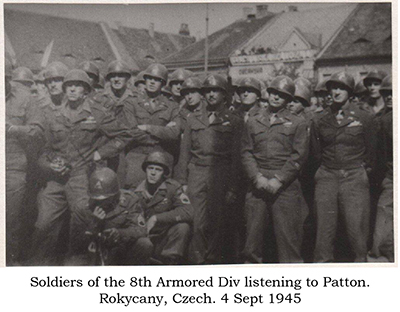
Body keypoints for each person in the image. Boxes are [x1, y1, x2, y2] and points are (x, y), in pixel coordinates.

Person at [30, 69, 137, 265]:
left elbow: (125, 135)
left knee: (81, 218)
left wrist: (100, 153)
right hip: (56, 179)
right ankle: (40, 266)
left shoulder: (97, 113)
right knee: (43, 223)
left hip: (82, 177)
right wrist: (50, 165)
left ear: (86, 90)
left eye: (77, 86)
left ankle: (77, 262)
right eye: (69, 86)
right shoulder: (54, 115)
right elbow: (44, 150)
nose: (72, 89)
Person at [310, 71, 377, 262]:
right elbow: (316, 152)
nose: (336, 92)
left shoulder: (365, 117)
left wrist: (361, 171)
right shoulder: (320, 118)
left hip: (354, 176)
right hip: (327, 176)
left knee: (357, 232)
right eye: (333, 88)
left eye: (341, 88)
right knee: (324, 232)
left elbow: (372, 152)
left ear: (350, 91)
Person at [241, 75, 309, 263]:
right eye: (273, 93)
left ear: (288, 99)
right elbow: (246, 152)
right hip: (258, 183)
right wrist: (257, 178)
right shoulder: (254, 120)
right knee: (252, 243)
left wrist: (279, 179)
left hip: (285, 186)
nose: (276, 97)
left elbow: (299, 156)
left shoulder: (298, 122)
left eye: (282, 95)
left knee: (288, 243)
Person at [176, 74, 242, 264]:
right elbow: (185, 152)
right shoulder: (192, 119)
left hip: (220, 173)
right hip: (196, 173)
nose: (211, 94)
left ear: (224, 95)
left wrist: (232, 187)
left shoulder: (234, 120)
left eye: (216, 91)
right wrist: (182, 182)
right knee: (196, 222)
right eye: (208, 91)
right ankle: (196, 262)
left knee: (217, 223)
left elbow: (236, 157)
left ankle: (212, 261)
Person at [67, 167, 152, 265]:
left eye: (106, 198)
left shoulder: (129, 200)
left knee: (144, 244)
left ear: (115, 195)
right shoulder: (82, 207)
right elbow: (75, 242)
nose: (100, 202)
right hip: (91, 250)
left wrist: (119, 233)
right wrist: (93, 225)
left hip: (119, 249)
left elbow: (140, 230)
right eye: (96, 198)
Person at [6, 67, 44, 265]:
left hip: (13, 168)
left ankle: (9, 265)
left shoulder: (26, 99)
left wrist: (13, 129)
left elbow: (37, 131)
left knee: (9, 220)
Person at [124, 63, 180, 189]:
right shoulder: (131, 103)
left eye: (157, 80)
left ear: (163, 83)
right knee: (134, 196)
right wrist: (162, 132)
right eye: (149, 78)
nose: (152, 82)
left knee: (160, 198)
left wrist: (148, 128)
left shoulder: (172, 106)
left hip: (162, 159)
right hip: (137, 157)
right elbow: (131, 132)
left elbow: (174, 133)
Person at [131, 152, 194, 264]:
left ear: (164, 173)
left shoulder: (172, 188)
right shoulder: (135, 191)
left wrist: (157, 218)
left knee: (183, 227)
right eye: (150, 168)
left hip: (163, 240)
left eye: (158, 169)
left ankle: (170, 263)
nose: (153, 173)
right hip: (143, 238)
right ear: (145, 170)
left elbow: (188, 211)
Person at [368, 75, 393, 262]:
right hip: (390, 177)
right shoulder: (384, 120)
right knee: (383, 222)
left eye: (394, 93)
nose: (390, 97)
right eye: (387, 94)